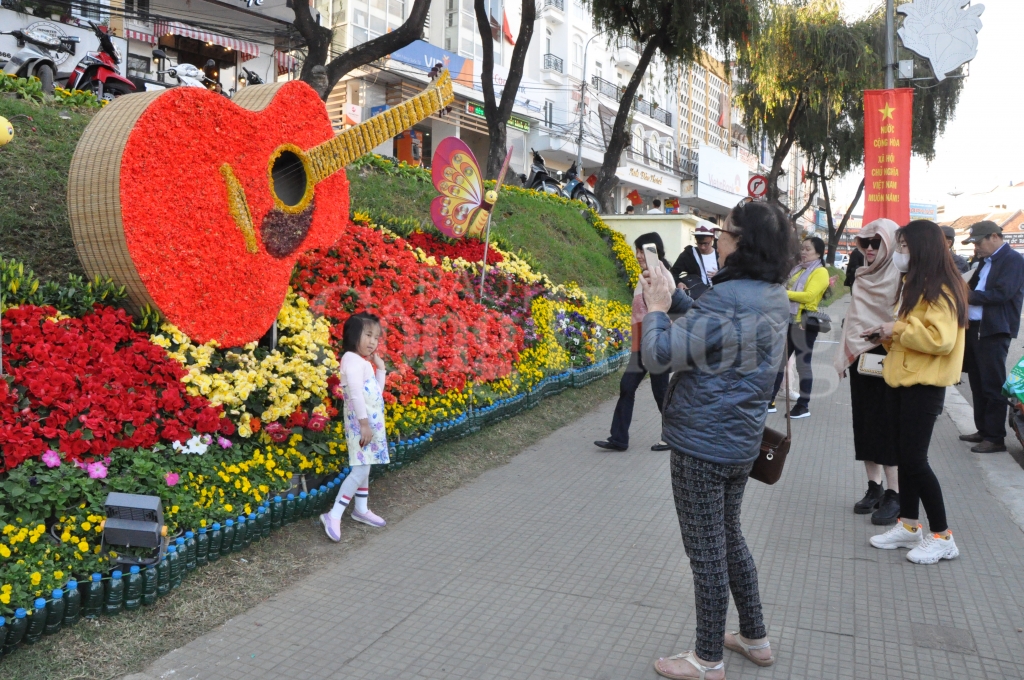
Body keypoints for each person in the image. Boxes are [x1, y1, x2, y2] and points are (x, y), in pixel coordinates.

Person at [642, 201, 795, 680]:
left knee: (705, 552)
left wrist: (656, 310)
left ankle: (707, 659)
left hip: (701, 445)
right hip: (739, 442)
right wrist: (679, 299)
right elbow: (722, 332)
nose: (718, 237)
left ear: (741, 243)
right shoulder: (770, 293)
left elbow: (659, 355)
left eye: (724, 231)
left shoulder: (728, 299)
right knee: (728, 539)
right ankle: (755, 637)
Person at [865, 220, 966, 564]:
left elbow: (941, 339)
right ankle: (909, 525)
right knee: (904, 457)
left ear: (921, 248)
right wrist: (889, 334)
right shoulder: (918, 283)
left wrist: (896, 328)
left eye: (904, 246)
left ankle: (942, 535)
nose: (899, 253)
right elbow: (915, 331)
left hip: (924, 385)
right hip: (904, 379)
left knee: (915, 461)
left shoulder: (940, 287)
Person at [834, 219, 902, 525]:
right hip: (861, 358)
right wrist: (845, 355)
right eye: (867, 243)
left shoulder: (902, 276)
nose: (871, 248)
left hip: (890, 357)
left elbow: (905, 320)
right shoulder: (861, 275)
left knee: (887, 425)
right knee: (864, 422)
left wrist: (887, 332)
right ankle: (874, 488)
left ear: (889, 244)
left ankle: (895, 494)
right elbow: (852, 319)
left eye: (877, 243)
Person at [594, 233, 672, 452]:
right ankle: (619, 439)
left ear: (654, 252)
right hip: (641, 343)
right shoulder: (643, 275)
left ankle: (672, 437)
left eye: (643, 251)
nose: (638, 255)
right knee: (630, 387)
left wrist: (660, 270)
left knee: (659, 393)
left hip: (654, 342)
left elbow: (671, 293)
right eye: (637, 250)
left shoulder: (660, 274)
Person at [320, 312, 390, 540]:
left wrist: (381, 370)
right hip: (362, 425)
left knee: (366, 465)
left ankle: (361, 509)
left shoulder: (363, 362)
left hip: (370, 423)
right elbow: (356, 395)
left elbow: (376, 395)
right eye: (368, 335)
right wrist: (364, 424)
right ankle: (334, 514)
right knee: (360, 468)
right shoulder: (351, 360)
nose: (373, 341)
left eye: (376, 337)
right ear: (353, 336)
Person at [958, 221, 1024, 453]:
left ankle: (995, 437)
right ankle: (983, 430)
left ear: (994, 237)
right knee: (977, 382)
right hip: (975, 327)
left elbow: (1002, 294)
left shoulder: (1013, 260)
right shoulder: (984, 261)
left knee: (992, 384)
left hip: (994, 330)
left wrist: (968, 296)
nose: (976, 247)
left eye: (978, 242)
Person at [769, 236, 830, 418]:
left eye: (808, 249)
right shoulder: (798, 269)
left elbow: (809, 296)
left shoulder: (820, 272)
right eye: (802, 248)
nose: (803, 252)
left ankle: (803, 405)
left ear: (818, 253)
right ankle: (769, 401)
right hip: (787, 320)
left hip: (804, 323)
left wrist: (782, 292)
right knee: (779, 362)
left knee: (803, 365)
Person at [670, 225, 719, 300]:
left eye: (706, 243)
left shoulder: (720, 253)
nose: (702, 247)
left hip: (718, 297)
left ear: (712, 238)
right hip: (696, 298)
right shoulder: (688, 254)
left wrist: (720, 274)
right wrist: (678, 283)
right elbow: (673, 273)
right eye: (699, 243)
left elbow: (732, 274)